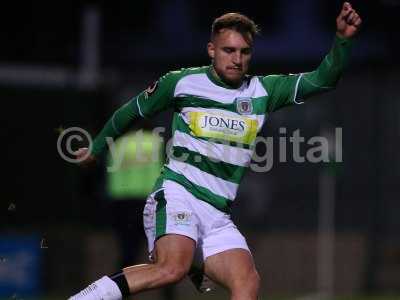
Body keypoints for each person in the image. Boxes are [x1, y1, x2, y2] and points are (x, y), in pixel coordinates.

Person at [69, 3, 361, 300]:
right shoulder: (181, 82)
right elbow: (130, 112)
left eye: (244, 52)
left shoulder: (262, 91)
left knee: (247, 283)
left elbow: (323, 79)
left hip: (217, 212)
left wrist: (343, 39)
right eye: (228, 50)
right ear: (211, 50)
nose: (237, 59)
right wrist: (97, 146)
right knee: (172, 269)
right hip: (177, 194)